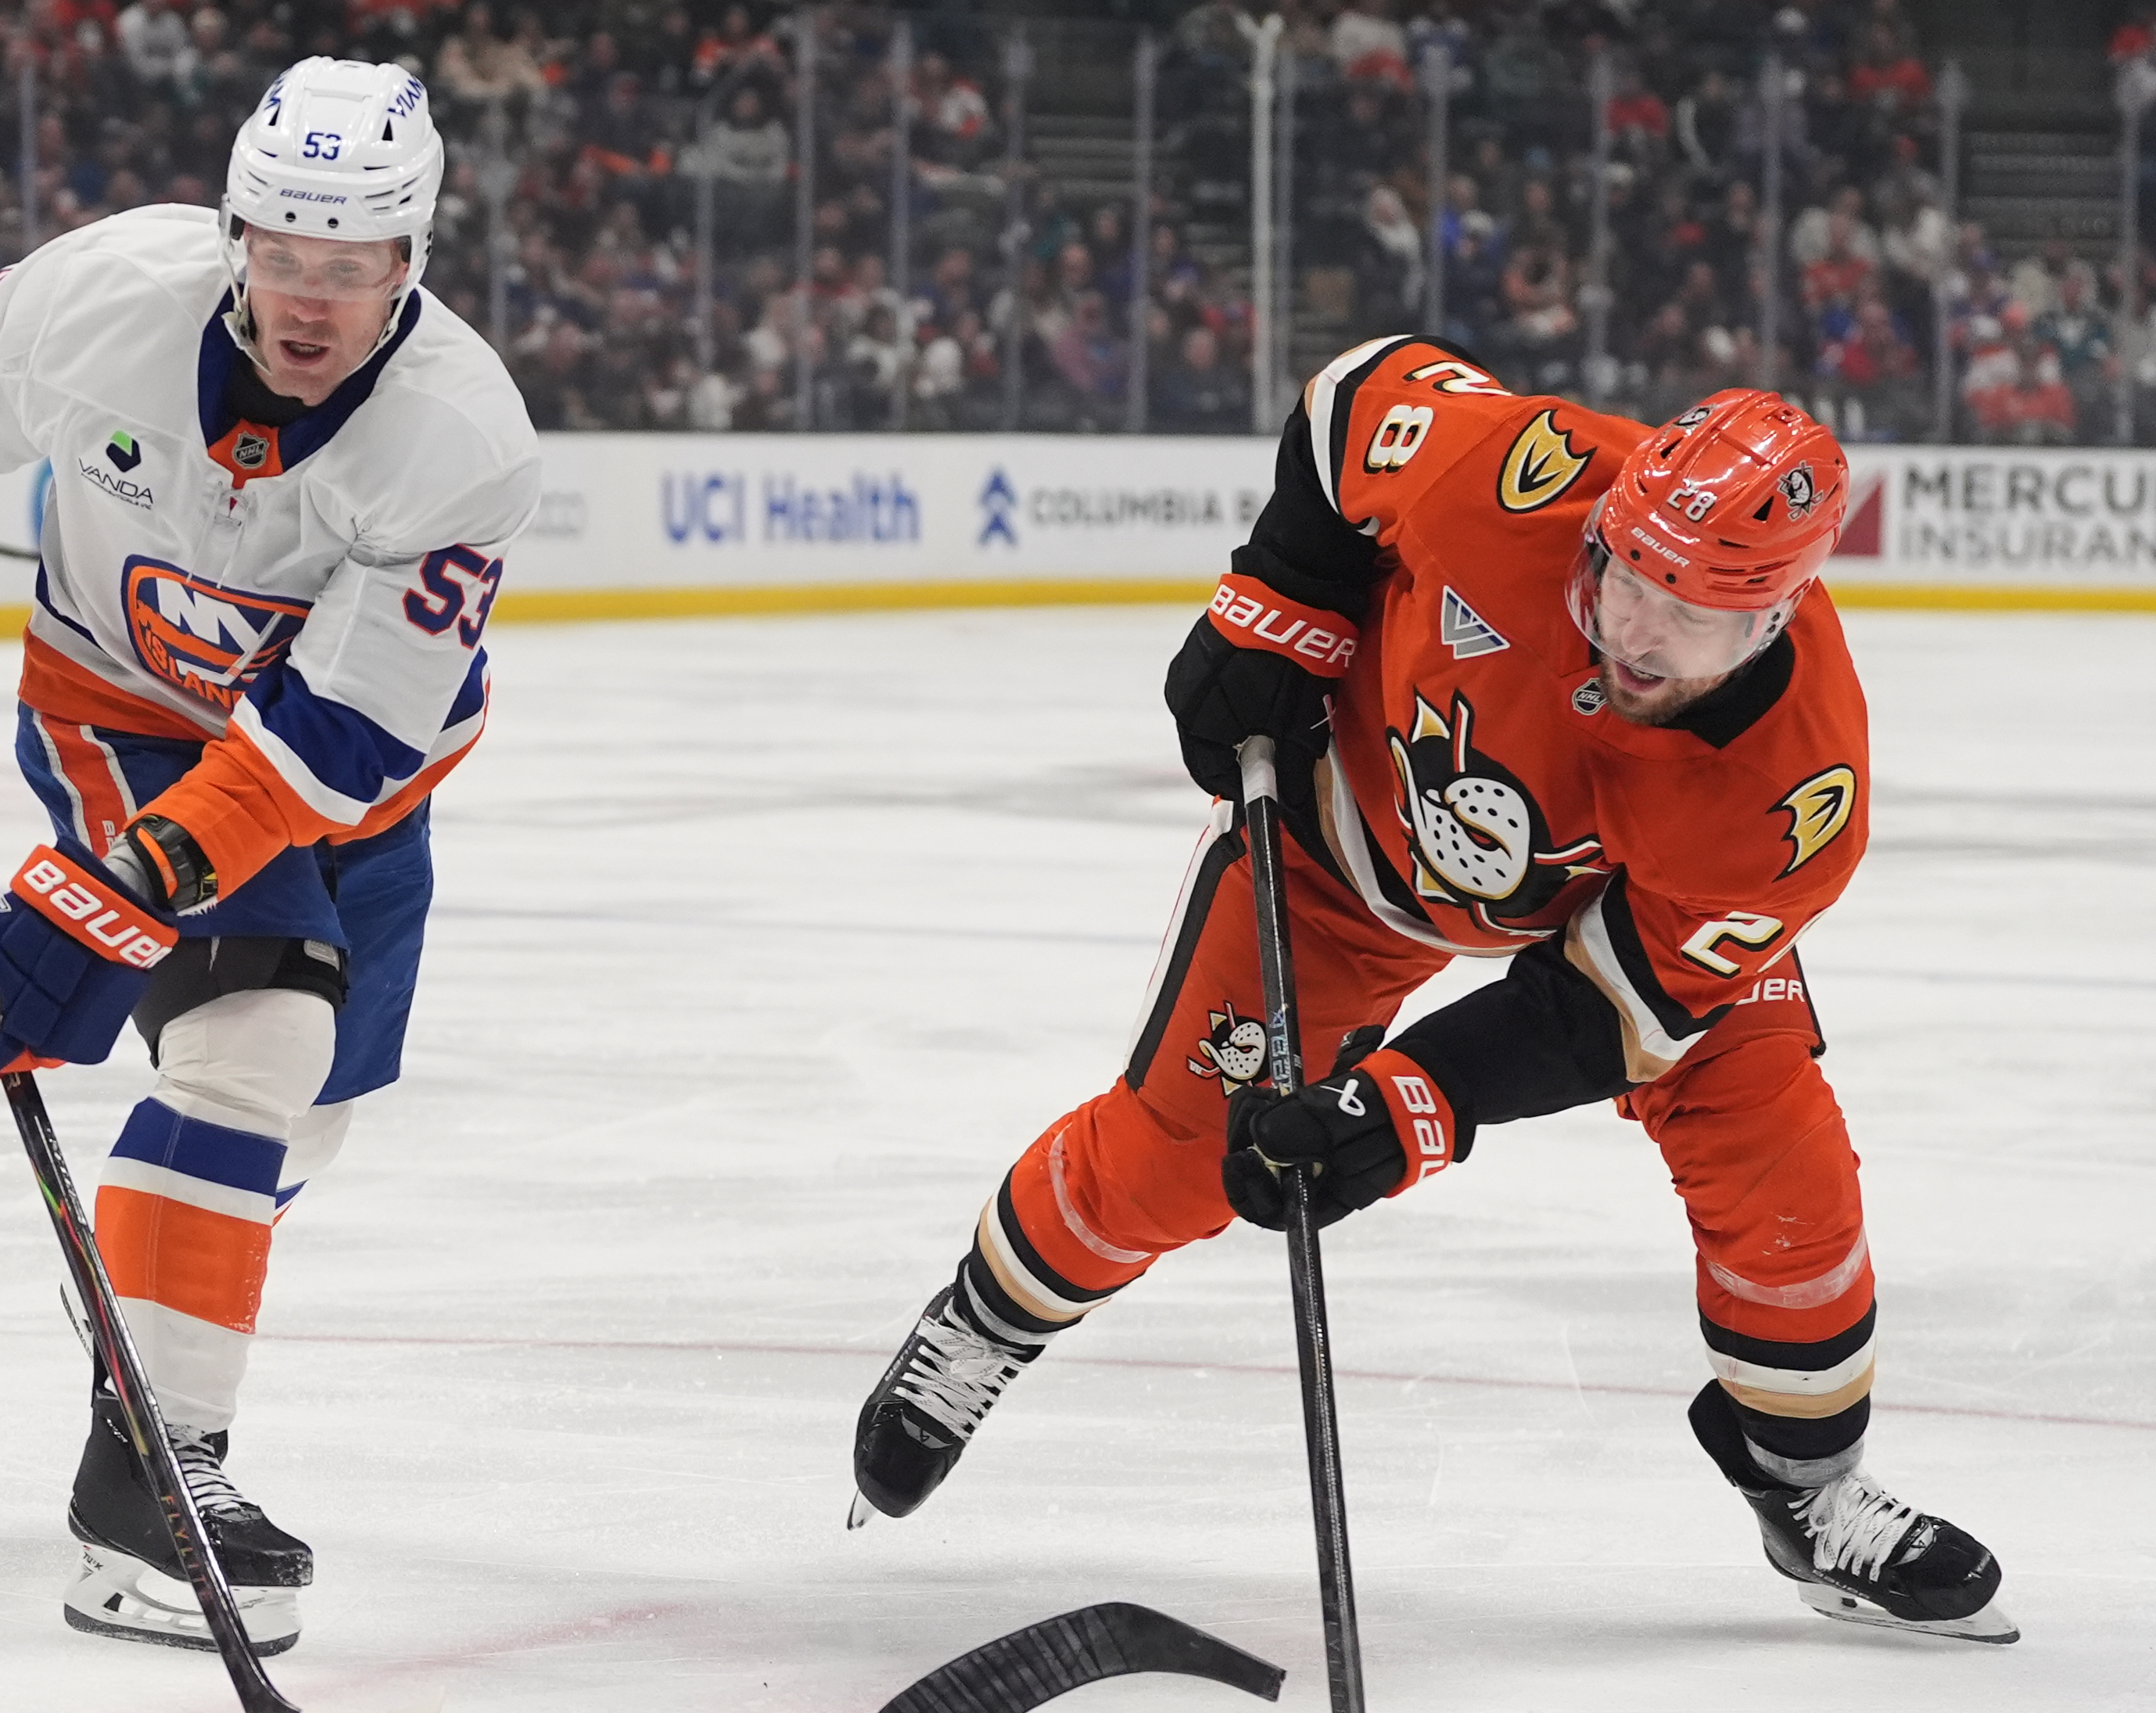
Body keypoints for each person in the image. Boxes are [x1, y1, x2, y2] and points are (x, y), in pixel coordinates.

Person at [851, 338, 2014, 1646]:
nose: (1632, 629)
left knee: (1778, 1153)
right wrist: (1276, 605)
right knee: (1181, 1155)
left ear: (1774, 614)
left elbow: (1597, 1013)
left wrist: (1399, 1111)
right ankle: (984, 1319)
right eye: (1623, 576)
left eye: (1687, 615)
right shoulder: (1528, 477)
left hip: (1606, 920)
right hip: (1342, 840)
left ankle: (1808, 1492)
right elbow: (1351, 396)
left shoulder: (1792, 799)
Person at [0, 58, 541, 1654]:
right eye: (282, 253)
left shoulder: (461, 438)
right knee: (256, 1035)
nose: (309, 298)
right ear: (233, 234)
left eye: (351, 267)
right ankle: (146, 1489)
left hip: (347, 786)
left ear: (410, 263)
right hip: (116, 709)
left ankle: (142, 1307)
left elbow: (327, 752)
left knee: (299, 1116)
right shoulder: (105, 297)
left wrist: (111, 902)